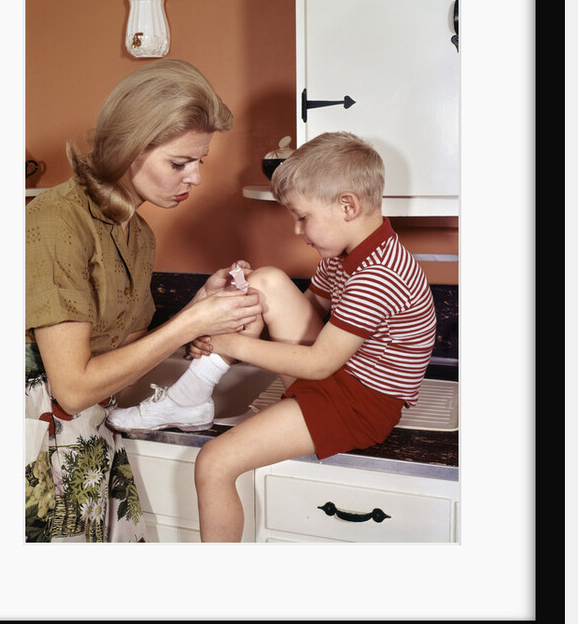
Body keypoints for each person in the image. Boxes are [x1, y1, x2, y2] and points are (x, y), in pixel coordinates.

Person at [108, 131, 437, 542]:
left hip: (359, 405)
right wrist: (231, 318)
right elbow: (309, 307)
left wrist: (232, 343)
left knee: (214, 462)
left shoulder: (379, 275)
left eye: (302, 217)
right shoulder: (348, 253)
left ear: (347, 205)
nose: (298, 231)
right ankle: (193, 392)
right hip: (343, 378)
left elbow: (319, 362)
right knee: (265, 280)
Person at [25, 59, 262, 542]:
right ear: (128, 148)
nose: (194, 177)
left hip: (88, 447)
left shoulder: (138, 232)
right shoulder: (54, 221)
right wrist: (191, 321)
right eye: (179, 163)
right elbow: (71, 388)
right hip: (33, 454)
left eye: (200, 161)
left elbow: (123, 370)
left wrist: (196, 310)